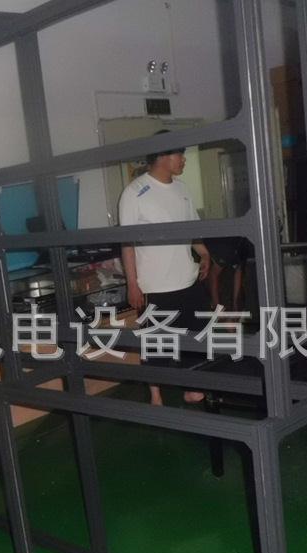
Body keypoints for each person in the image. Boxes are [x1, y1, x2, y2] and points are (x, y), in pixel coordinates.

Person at [119, 132, 211, 406]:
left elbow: (191, 227)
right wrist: (133, 284)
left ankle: (193, 387)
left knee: (195, 338)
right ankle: (155, 395)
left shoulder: (182, 189)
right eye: (178, 154)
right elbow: (127, 244)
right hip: (156, 286)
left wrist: (203, 252)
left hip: (188, 280)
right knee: (157, 343)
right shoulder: (135, 192)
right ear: (161, 156)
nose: (183, 159)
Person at [205, 237, 252, 310]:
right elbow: (213, 274)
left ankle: (234, 304)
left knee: (238, 266)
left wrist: (235, 304)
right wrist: (216, 304)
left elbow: (238, 271)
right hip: (216, 242)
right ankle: (214, 303)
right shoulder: (225, 251)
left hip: (236, 246)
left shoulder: (243, 250)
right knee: (214, 270)